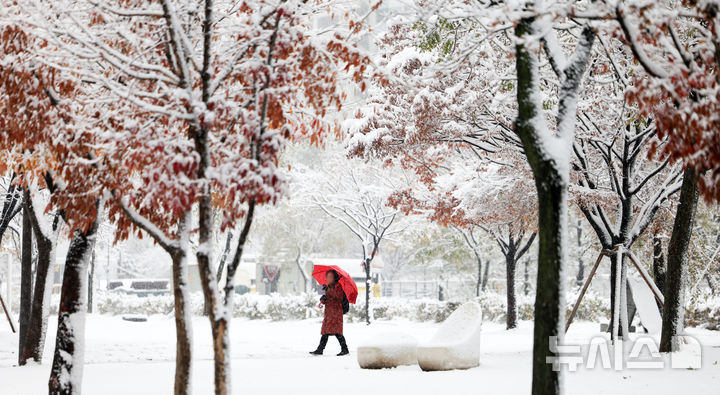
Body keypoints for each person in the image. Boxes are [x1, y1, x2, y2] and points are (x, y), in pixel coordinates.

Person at [309, 270, 349, 356]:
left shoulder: (338, 286)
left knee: (336, 332)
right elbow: (327, 299)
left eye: (330, 277)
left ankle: (344, 349)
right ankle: (320, 349)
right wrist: (323, 299)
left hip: (336, 313)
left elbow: (338, 297)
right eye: (327, 277)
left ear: (334, 278)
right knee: (326, 332)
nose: (328, 278)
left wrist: (328, 292)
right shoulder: (327, 286)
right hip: (329, 313)